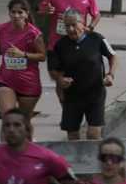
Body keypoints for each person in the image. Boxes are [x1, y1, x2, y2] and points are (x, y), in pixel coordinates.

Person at [48, 9, 117, 140]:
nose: (71, 29)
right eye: (67, 26)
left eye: (74, 25)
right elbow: (53, 69)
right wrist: (60, 79)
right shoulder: (60, 45)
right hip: (72, 95)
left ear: (82, 23)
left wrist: (110, 75)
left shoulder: (97, 38)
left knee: (93, 133)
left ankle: (95, 153)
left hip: (95, 93)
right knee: (72, 135)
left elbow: (113, 56)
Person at [0, 108, 75, 184]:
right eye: (7, 125)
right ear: (2, 130)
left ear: (27, 130)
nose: (11, 130)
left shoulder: (47, 157)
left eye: (17, 125)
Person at [0, 0, 46, 116]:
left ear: (26, 14)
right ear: (9, 13)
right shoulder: (1, 29)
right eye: (13, 12)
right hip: (5, 80)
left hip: (28, 83)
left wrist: (23, 54)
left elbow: (42, 56)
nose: (16, 15)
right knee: (9, 117)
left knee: (23, 122)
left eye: (20, 12)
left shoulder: (34, 33)